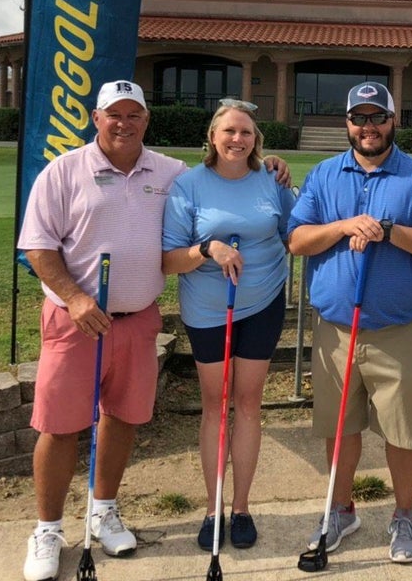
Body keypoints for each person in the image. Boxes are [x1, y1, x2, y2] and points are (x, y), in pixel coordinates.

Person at [16, 79, 289, 579]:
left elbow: (237, 183)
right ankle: (49, 528)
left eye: (134, 116)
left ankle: (103, 510)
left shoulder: (168, 172)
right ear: (96, 118)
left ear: (146, 121)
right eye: (113, 115)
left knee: (122, 417)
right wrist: (76, 299)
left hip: (138, 316)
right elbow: (36, 245)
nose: (124, 123)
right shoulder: (63, 171)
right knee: (59, 426)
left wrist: (273, 167)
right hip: (78, 318)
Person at [286, 82, 412, 564]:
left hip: (399, 331)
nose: (368, 127)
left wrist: (388, 231)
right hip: (336, 331)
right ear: (347, 123)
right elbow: (297, 240)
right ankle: (341, 510)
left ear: (392, 121)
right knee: (339, 429)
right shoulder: (323, 175)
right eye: (359, 118)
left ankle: (404, 514)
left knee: (403, 433)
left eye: (377, 117)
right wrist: (344, 226)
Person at [161, 99, 295, 551]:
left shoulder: (271, 180)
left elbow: (295, 235)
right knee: (216, 404)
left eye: (246, 132)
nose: (237, 139)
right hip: (207, 309)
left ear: (257, 139)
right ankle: (211, 507)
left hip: (261, 303)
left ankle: (241, 508)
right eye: (229, 131)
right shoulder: (188, 185)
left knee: (249, 402)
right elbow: (169, 259)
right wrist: (207, 250)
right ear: (212, 137)